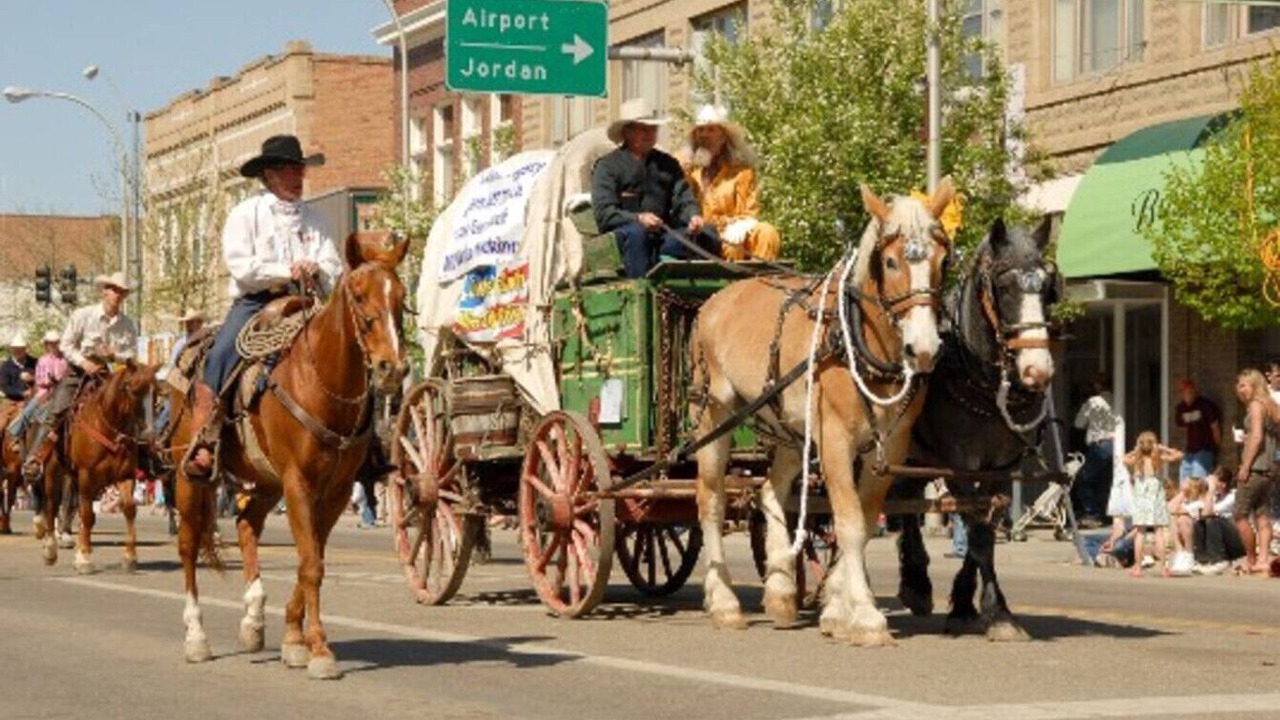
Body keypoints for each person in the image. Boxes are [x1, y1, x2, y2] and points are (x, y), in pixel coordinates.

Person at [181, 134, 343, 481]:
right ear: (268, 175)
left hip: (307, 301)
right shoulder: (245, 214)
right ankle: (205, 439)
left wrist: (319, 269)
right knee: (220, 355)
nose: (297, 177)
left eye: (299, 169)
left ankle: (364, 441)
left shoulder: (316, 217)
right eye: (288, 170)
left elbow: (333, 264)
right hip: (257, 302)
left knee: (350, 351)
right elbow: (242, 267)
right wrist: (288, 270)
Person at [22, 272, 138, 481]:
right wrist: (84, 362)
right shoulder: (83, 315)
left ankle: (145, 458)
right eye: (114, 290)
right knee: (57, 410)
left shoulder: (127, 324)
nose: (117, 295)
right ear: (104, 291)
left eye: (122, 292)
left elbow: (131, 354)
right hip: (78, 371)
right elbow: (66, 344)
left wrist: (114, 355)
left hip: (107, 373)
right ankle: (36, 458)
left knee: (131, 410)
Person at [591, 97, 720, 278]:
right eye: (643, 128)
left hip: (664, 237)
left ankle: (710, 292)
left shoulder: (668, 164)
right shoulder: (607, 167)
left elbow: (683, 199)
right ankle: (641, 290)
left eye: (653, 128)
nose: (649, 133)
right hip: (625, 240)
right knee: (637, 234)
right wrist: (638, 218)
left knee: (708, 233)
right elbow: (605, 214)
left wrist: (693, 217)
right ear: (627, 132)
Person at [679, 104, 780, 262]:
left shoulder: (741, 173)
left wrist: (737, 225)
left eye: (711, 130)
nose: (704, 135)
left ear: (723, 137)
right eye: (700, 130)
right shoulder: (689, 173)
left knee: (768, 232)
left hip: (736, 233)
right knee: (732, 245)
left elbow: (750, 212)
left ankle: (762, 279)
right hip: (702, 237)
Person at [1232, 368, 1277, 574]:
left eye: (1243, 385)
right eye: (1238, 385)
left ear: (1254, 385)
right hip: (1270, 468)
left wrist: (1245, 466)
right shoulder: (1271, 405)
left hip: (1257, 468)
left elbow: (1257, 436)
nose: (1239, 389)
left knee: (1239, 515)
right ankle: (1264, 559)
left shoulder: (1256, 406)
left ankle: (1251, 559)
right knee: (1261, 513)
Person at [1121, 430, 1181, 578]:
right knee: (1158, 531)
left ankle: (1137, 567)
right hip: (1156, 497)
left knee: (1140, 532)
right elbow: (1178, 455)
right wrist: (1161, 447)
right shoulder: (1158, 459)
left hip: (1141, 499)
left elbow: (1123, 458)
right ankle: (1162, 568)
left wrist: (1137, 449)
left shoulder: (1136, 460)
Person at [1073, 372, 1117, 528]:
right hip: (1116, 445)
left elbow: (1079, 423)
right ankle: (1106, 515)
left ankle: (1092, 514)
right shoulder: (1117, 398)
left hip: (1099, 445)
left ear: (1098, 385)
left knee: (1084, 479)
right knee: (1105, 482)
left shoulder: (1093, 402)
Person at [6, 331, 67, 441]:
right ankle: (14, 435)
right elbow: (38, 379)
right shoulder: (42, 360)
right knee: (28, 412)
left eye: (55, 343)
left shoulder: (65, 359)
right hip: (44, 392)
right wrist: (46, 381)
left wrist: (59, 380)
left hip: (63, 392)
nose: (53, 345)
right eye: (50, 343)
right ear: (46, 345)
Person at [154, 308, 205, 433]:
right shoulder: (180, 344)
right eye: (188, 322)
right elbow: (173, 366)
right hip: (181, 381)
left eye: (193, 322)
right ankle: (157, 434)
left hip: (200, 381)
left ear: (199, 323)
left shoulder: (207, 341)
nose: (189, 325)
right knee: (169, 408)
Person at [1174, 378, 1221, 484]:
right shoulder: (1181, 408)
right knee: (1184, 481)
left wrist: (1216, 447)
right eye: (1183, 391)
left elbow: (1215, 426)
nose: (1186, 393)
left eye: (1189, 390)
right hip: (1190, 451)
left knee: (1197, 482)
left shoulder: (1205, 405)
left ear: (1194, 390)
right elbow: (1182, 428)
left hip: (1205, 448)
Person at [0, 334, 36, 402]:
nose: (18, 351)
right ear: (11, 349)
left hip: (34, 400)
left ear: (25, 349)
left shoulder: (34, 362)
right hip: (13, 401)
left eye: (21, 348)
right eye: (15, 348)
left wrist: (32, 378)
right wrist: (21, 393)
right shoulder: (6, 366)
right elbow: (5, 387)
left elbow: (41, 378)